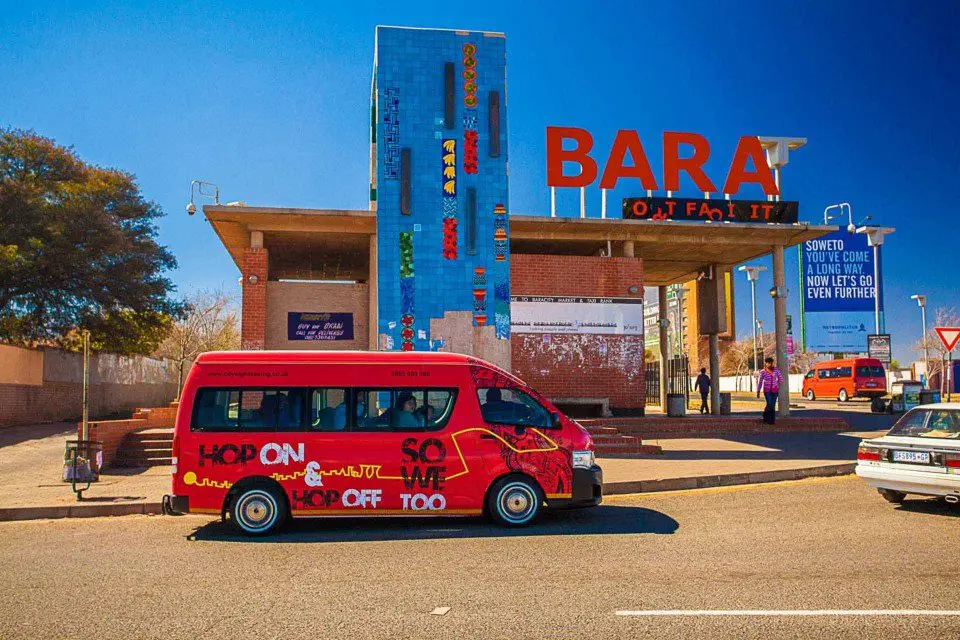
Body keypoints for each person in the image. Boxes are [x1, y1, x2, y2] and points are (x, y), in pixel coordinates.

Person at [757, 357, 784, 424]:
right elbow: (760, 382)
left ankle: (769, 418)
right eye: (769, 363)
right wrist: (758, 391)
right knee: (770, 404)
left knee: (772, 405)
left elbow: (781, 379)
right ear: (766, 363)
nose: (771, 364)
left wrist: (776, 382)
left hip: (775, 390)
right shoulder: (763, 372)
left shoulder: (777, 371)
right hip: (767, 390)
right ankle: (769, 419)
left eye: (772, 363)